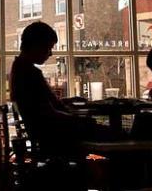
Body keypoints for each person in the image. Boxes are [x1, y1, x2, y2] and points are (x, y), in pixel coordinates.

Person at [10, 21, 110, 158]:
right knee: (118, 138)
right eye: (48, 48)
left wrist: (68, 102)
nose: (50, 53)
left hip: (47, 136)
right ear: (37, 45)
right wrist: (79, 119)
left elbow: (41, 105)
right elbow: (48, 113)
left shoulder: (20, 69)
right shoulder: (29, 74)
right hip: (56, 138)